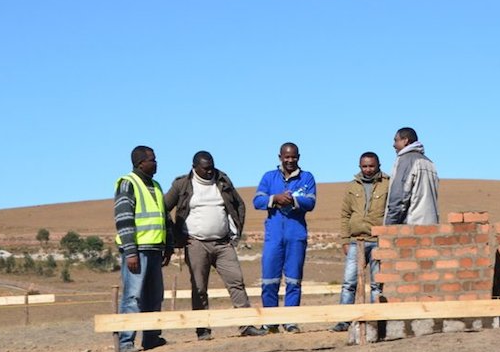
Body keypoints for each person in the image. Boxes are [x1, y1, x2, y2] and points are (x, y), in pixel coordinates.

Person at [164, 151, 268, 340]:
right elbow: (163, 208)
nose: (210, 171)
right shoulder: (182, 184)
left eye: (212, 167)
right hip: (195, 243)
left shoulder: (222, 180)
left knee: (236, 281)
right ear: (194, 167)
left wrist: (235, 232)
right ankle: (202, 329)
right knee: (199, 287)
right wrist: (176, 236)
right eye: (205, 168)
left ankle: (246, 325)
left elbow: (239, 205)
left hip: (223, 243)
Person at [114, 145, 174, 352]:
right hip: (137, 251)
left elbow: (165, 218)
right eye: (152, 160)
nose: (156, 163)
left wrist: (168, 246)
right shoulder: (128, 184)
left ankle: (151, 337)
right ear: (140, 163)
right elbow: (124, 219)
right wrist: (130, 251)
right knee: (133, 296)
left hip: (155, 249)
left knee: (154, 296)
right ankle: (126, 342)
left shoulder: (156, 186)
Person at [252, 143, 316, 333]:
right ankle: (270, 321)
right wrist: (275, 198)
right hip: (273, 236)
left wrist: (293, 200)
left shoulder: (307, 178)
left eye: (293, 157)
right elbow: (257, 201)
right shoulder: (269, 177)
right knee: (269, 280)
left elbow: (311, 202)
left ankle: (290, 321)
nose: (290, 160)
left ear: (298, 157)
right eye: (286, 157)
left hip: (296, 236)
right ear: (280, 157)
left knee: (294, 281)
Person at [331, 152, 390, 332]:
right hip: (356, 241)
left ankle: (375, 320)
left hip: (378, 240)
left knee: (377, 284)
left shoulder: (388, 184)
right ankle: (344, 320)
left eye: (371, 166)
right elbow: (345, 215)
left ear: (378, 165)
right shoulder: (352, 186)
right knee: (349, 282)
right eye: (364, 166)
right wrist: (344, 240)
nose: (368, 169)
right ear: (360, 167)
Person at [384, 127, 439, 225]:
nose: (394, 145)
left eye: (396, 140)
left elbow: (399, 197)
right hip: (431, 226)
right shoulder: (429, 162)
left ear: (405, 141)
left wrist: (389, 225)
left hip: (411, 227)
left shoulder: (405, 160)